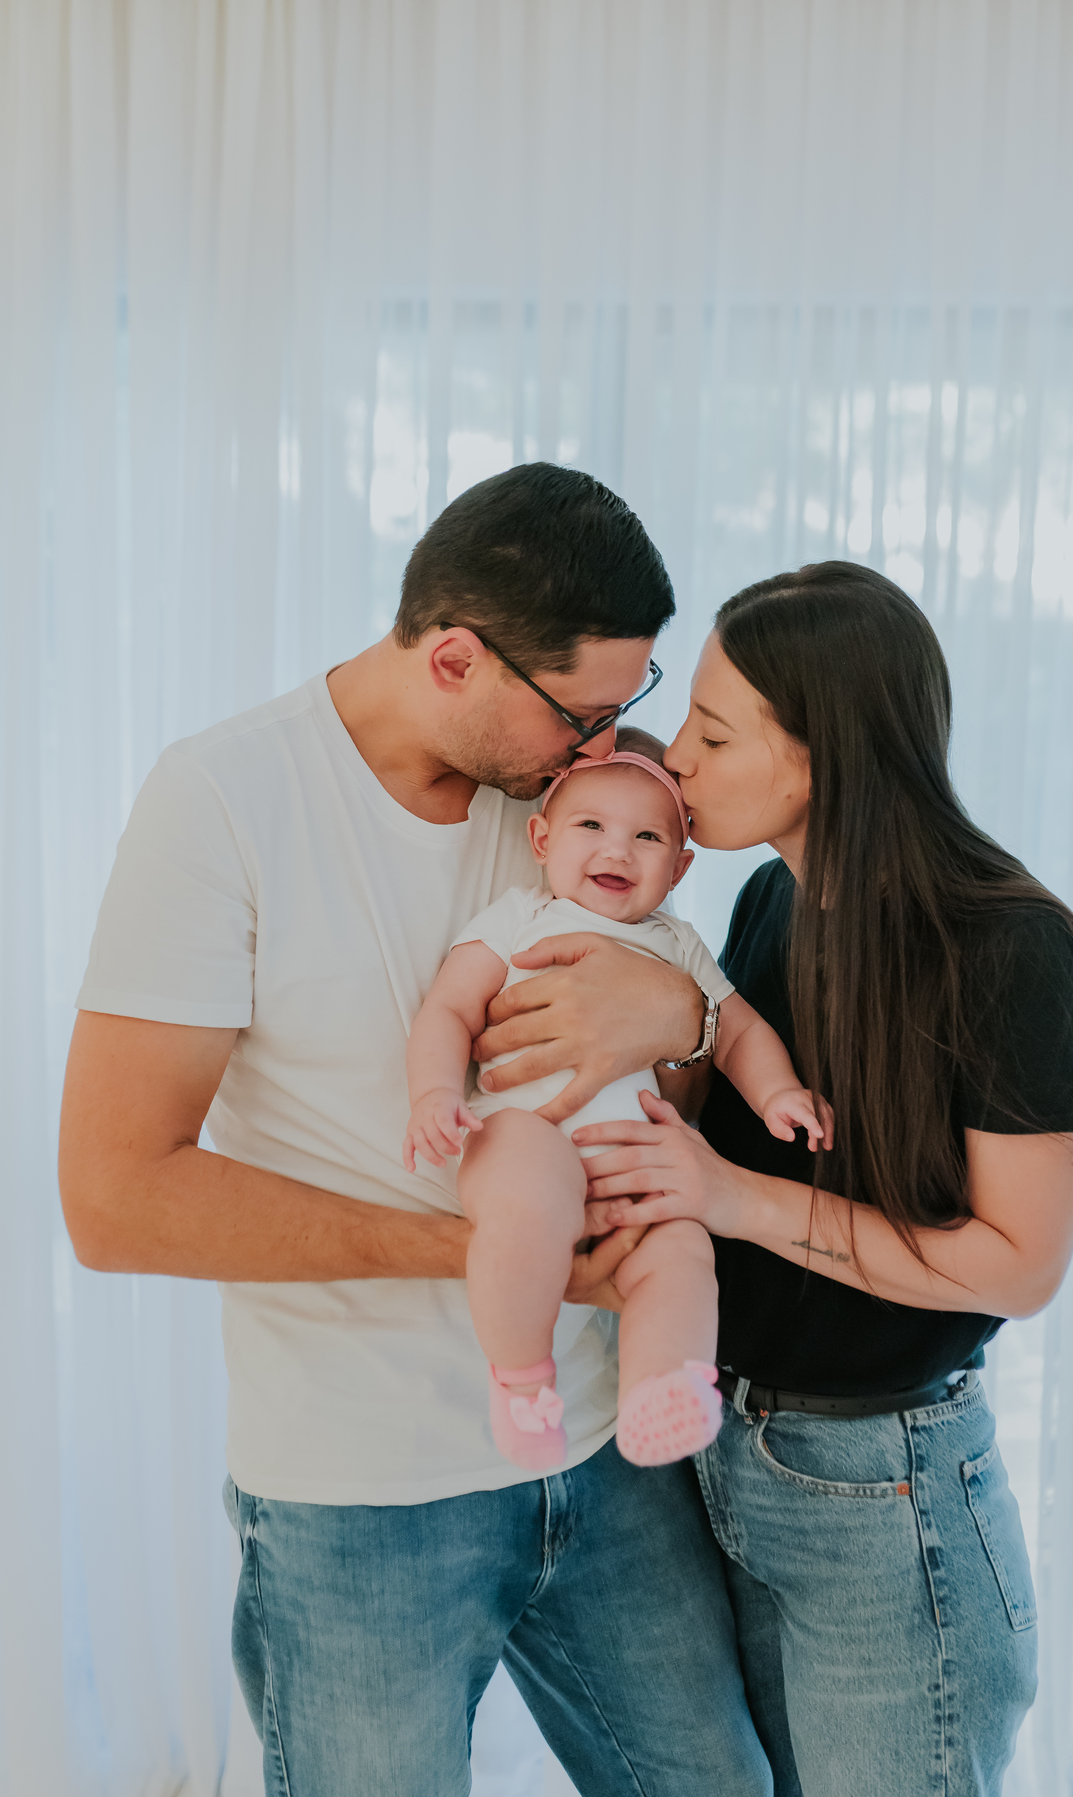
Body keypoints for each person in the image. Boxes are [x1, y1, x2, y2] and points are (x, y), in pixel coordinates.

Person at [57, 465, 773, 1797]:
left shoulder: (573, 810)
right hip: (361, 1501)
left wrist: (679, 1011)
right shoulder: (223, 801)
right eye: (586, 714)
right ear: (455, 656)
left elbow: (666, 1084)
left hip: (613, 1454)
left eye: (632, 710)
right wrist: (487, 1253)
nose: (615, 751)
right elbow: (114, 1197)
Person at [565, 562, 1073, 1797]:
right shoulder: (766, 898)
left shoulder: (1013, 948)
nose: (676, 764)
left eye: (712, 732)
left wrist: (735, 1199)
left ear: (822, 755)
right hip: (733, 1458)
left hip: (886, 1493)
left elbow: (1019, 1265)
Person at [404, 731, 830, 1472]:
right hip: (522, 1135)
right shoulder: (519, 916)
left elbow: (739, 1031)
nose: (618, 850)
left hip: (631, 1158)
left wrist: (778, 1092)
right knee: (530, 1201)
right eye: (591, 826)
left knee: (682, 1254)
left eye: (647, 836)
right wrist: (435, 1093)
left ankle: (661, 1389)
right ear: (541, 837)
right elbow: (447, 1010)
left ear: (679, 867)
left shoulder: (679, 943)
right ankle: (523, 1380)